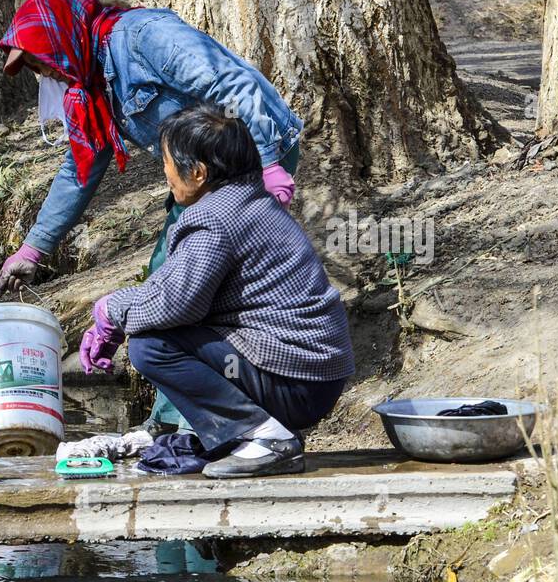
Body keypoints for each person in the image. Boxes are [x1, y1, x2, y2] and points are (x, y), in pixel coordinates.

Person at [0, 0, 303, 434]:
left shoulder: (145, 36)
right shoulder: (91, 85)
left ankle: (222, 419)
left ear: (61, 35)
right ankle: (170, 420)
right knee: (165, 278)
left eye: (43, 62)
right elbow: (77, 170)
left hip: (251, 154)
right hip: (198, 177)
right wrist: (33, 249)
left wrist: (269, 160)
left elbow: (230, 83)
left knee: (198, 291)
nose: (47, 76)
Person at [79, 104, 353, 479]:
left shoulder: (214, 219)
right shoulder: (248, 201)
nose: (165, 172)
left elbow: (175, 306)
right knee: (157, 336)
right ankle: (250, 435)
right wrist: (113, 311)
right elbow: (170, 287)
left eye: (167, 162)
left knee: (152, 347)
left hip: (295, 382)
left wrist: (111, 310)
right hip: (310, 379)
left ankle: (268, 439)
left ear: (198, 172)